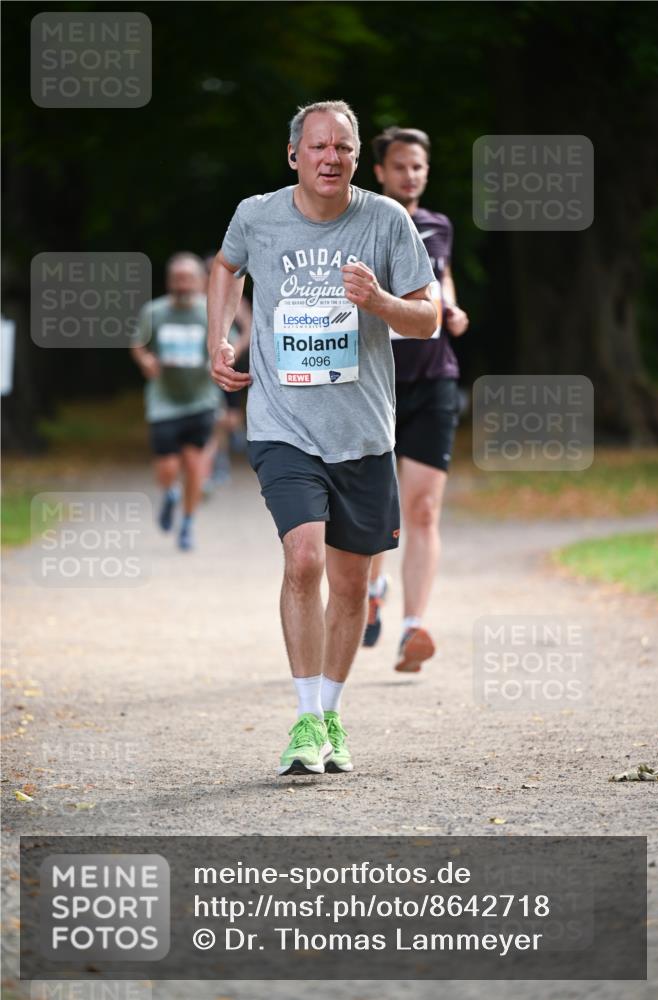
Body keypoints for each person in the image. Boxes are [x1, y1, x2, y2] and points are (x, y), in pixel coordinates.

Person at [207, 101, 437, 775]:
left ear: (357, 158)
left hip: (362, 432)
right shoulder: (257, 215)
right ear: (293, 155)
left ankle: (331, 711)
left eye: (342, 146)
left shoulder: (386, 221)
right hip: (282, 425)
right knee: (303, 559)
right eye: (317, 146)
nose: (330, 157)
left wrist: (380, 303)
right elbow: (226, 266)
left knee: (351, 581)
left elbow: (426, 318)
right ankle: (306, 717)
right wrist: (220, 337)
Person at [364, 126, 469, 671]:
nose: (410, 175)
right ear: (380, 171)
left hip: (433, 380)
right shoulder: (359, 225)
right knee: (376, 508)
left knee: (423, 510)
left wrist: (451, 306)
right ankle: (371, 590)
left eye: (418, 167)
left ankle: (413, 629)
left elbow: (440, 277)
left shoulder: (438, 225)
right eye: (401, 166)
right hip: (372, 382)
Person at [130, 252, 222, 551]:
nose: (182, 285)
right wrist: (145, 360)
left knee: (194, 466)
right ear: (169, 282)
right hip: (164, 402)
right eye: (177, 279)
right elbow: (138, 343)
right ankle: (170, 493)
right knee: (168, 468)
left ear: (200, 281)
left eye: (188, 279)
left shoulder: (210, 312)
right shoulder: (154, 312)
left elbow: (228, 342)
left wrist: (218, 360)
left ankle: (188, 523)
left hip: (200, 401)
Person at [201, 256, 253, 490]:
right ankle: (219, 463)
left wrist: (234, 349)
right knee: (217, 416)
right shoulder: (199, 298)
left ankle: (237, 432)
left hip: (232, 362)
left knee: (229, 417)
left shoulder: (237, 299)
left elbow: (249, 328)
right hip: (205, 366)